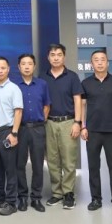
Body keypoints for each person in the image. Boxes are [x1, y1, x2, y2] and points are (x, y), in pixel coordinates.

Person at [81, 50, 112, 214]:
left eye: (103, 59)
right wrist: (83, 126)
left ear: (108, 63)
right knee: (93, 167)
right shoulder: (85, 83)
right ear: (91, 64)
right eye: (96, 60)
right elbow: (82, 106)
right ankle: (96, 199)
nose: (100, 62)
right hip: (92, 132)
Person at [43, 44, 83, 210]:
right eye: (53, 55)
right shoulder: (43, 77)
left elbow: (78, 100)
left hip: (68, 122)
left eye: (59, 54)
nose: (56, 58)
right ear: (48, 57)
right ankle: (57, 193)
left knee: (68, 160)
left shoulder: (72, 76)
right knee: (52, 160)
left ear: (64, 57)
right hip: (49, 123)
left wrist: (77, 123)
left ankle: (68, 193)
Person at [0, 57, 23, 216]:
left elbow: (18, 111)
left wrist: (14, 133)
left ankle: (11, 202)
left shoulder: (14, 88)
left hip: (7, 132)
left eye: (3, 68)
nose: (0, 71)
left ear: (8, 69)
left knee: (10, 169)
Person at [16, 54, 50, 213]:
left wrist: (41, 121)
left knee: (38, 164)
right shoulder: (14, 85)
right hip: (20, 129)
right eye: (23, 64)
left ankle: (36, 198)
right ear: (19, 67)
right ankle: (22, 197)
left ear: (34, 66)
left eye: (30, 63)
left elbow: (46, 105)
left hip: (37, 128)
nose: (27, 66)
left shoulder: (42, 84)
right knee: (19, 164)